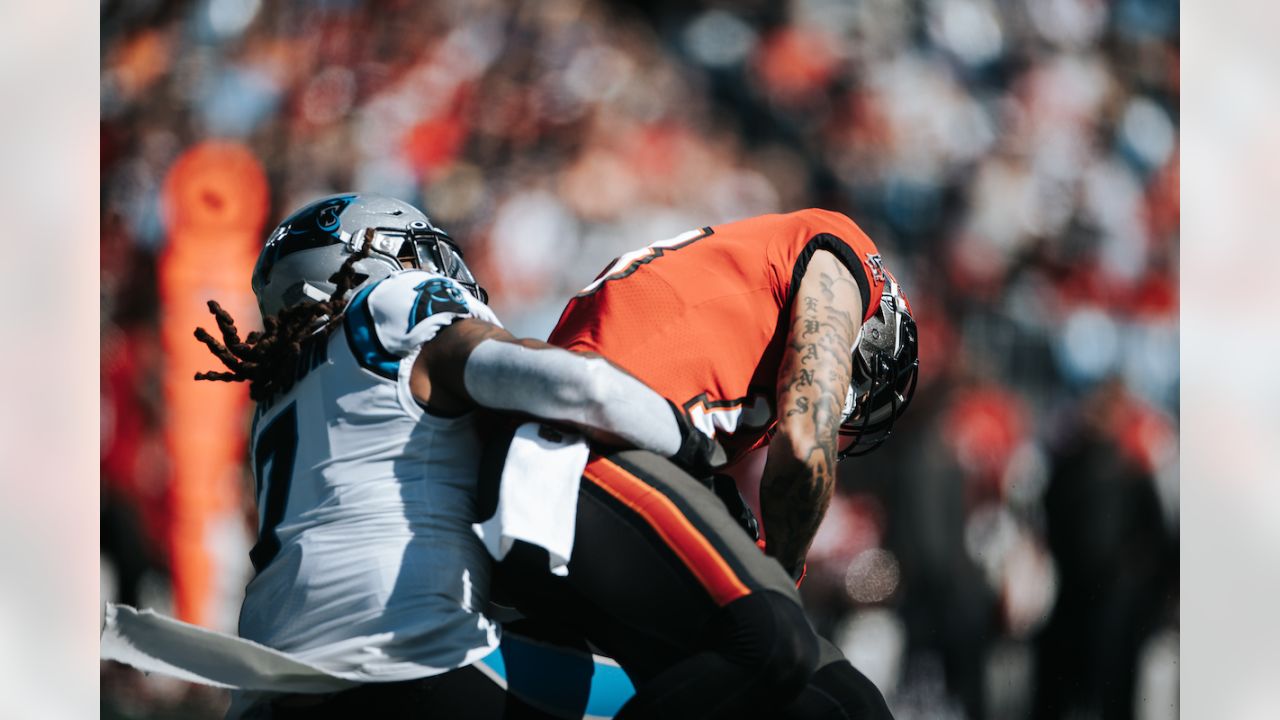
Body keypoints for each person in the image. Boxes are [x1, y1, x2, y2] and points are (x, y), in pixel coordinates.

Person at [187, 193, 725, 718]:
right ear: (371, 260)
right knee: (698, 687)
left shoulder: (274, 402)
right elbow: (578, 386)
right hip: (404, 652)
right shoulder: (392, 303)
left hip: (268, 687)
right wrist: (695, 448)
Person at [495, 208, 919, 718]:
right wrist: (783, 574)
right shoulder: (844, 256)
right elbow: (807, 446)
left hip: (611, 458)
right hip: (583, 450)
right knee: (775, 643)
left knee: (847, 702)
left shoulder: (745, 328)